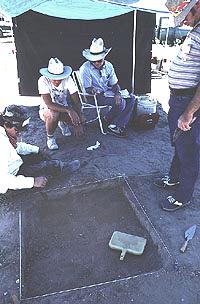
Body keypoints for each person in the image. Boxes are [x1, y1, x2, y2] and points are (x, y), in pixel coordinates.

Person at [154, 0, 200, 211]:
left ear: (197, 5)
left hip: (187, 102)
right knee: (179, 143)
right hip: (178, 99)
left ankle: (183, 196)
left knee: (188, 149)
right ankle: (174, 178)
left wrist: (189, 112)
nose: (184, 23)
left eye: (186, 17)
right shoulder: (196, 30)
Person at [0, 105, 80, 194]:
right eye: (17, 130)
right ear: (7, 125)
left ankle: (54, 167)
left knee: (37, 155)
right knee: (48, 167)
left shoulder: (3, 132)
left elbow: (17, 146)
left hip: (12, 165)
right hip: (9, 180)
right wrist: (33, 182)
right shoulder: (2, 143)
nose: (19, 133)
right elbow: (2, 180)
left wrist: (37, 150)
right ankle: (60, 169)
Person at [79, 38, 135, 138]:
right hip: (94, 96)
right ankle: (113, 125)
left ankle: (113, 123)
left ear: (104, 57)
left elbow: (114, 84)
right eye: (93, 61)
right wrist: (94, 90)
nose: (96, 63)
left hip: (106, 92)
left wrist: (117, 93)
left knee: (132, 98)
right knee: (121, 102)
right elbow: (87, 89)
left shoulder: (109, 66)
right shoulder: (85, 68)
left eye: (99, 60)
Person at [38, 57, 85, 150]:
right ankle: (50, 137)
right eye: (54, 78)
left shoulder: (68, 79)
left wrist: (79, 120)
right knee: (53, 114)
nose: (57, 81)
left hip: (64, 108)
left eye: (59, 78)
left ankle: (62, 123)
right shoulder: (42, 80)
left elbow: (76, 100)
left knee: (81, 121)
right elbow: (49, 104)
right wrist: (69, 110)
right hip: (47, 109)